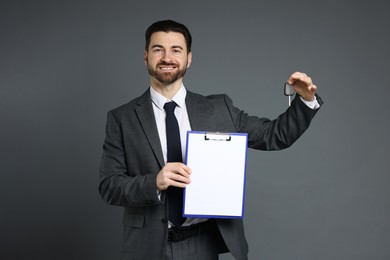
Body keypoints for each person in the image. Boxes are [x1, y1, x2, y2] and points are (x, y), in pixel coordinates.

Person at [99, 19, 323, 260]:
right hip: (146, 248)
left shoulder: (219, 108)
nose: (167, 57)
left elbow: (274, 136)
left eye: (176, 50)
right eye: (158, 49)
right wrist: (154, 182)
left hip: (202, 245)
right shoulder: (121, 118)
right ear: (146, 56)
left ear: (189, 58)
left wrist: (305, 101)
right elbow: (109, 186)